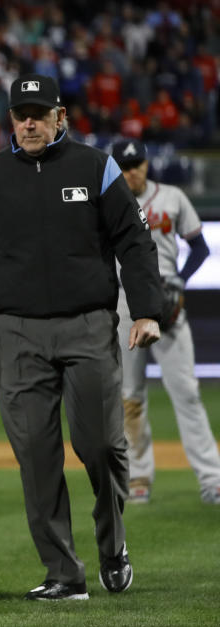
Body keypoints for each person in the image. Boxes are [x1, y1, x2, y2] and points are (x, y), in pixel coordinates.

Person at [0, 74, 163, 601]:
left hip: (87, 324)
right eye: (21, 113)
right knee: (37, 455)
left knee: (100, 445)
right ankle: (64, 574)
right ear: (10, 120)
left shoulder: (95, 166)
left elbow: (134, 241)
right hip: (15, 331)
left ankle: (113, 546)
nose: (29, 122)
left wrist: (145, 311)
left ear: (59, 117)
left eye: (39, 114)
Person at [110, 139, 220, 505]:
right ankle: (139, 476)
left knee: (187, 392)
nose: (133, 171)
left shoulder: (171, 196)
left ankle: (212, 478)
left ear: (146, 164)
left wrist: (179, 280)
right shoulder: (106, 202)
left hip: (168, 299)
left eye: (137, 164)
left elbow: (200, 246)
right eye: (125, 166)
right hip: (126, 304)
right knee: (130, 398)